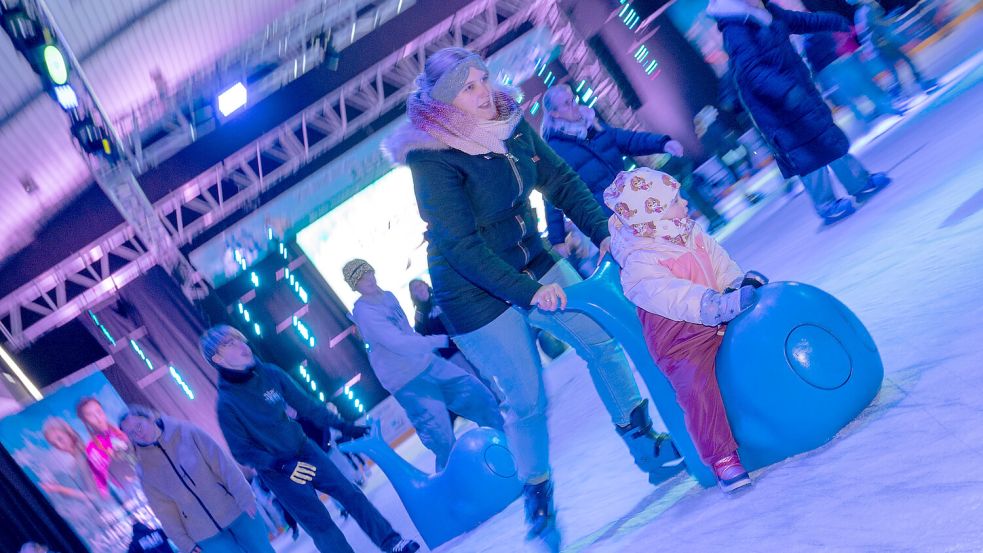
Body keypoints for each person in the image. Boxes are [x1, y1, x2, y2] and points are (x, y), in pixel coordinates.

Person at [383, 47, 683, 545]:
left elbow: (559, 178)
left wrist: (604, 230)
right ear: (443, 101)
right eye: (469, 88)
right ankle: (538, 498)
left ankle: (645, 444)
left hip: (530, 258)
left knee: (601, 342)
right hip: (474, 291)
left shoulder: (509, 121)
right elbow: (459, 245)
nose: (485, 93)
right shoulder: (431, 156)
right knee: (526, 399)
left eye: (484, 79)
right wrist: (528, 293)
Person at [604, 167, 768, 493]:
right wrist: (712, 305)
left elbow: (717, 261)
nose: (684, 203)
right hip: (679, 339)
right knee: (697, 387)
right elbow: (670, 295)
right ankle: (722, 458)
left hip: (717, 311)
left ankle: (772, 409)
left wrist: (735, 285)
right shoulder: (639, 260)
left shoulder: (687, 230)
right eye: (675, 201)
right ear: (652, 216)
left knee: (758, 339)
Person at [199, 325, 420, 553]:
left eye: (239, 338)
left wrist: (346, 427)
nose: (241, 345)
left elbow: (308, 406)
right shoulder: (227, 404)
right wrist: (281, 465)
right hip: (280, 472)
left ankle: (391, 542)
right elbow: (241, 451)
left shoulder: (270, 373)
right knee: (320, 524)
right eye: (229, 343)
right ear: (217, 358)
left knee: (351, 494)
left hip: (305, 450)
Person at [708, 0, 893, 225]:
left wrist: (833, 20)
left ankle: (859, 183)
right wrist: (786, 93)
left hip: (797, 89)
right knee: (805, 153)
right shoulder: (736, 29)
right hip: (776, 104)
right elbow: (752, 71)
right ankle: (826, 205)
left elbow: (800, 21)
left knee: (827, 136)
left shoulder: (767, 11)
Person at [345, 259, 504, 471]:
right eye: (361, 279)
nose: (368, 279)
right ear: (354, 286)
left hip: (427, 363)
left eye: (369, 273)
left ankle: (505, 444)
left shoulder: (388, 296)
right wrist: (439, 340)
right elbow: (397, 342)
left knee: (476, 394)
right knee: (440, 435)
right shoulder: (364, 312)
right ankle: (454, 485)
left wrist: (429, 347)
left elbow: (407, 333)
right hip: (405, 380)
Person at [539, 84, 729, 238]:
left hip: (631, 201)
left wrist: (663, 143)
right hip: (608, 216)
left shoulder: (593, 127)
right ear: (555, 114)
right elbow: (553, 193)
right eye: (567, 103)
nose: (574, 106)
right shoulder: (555, 150)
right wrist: (557, 238)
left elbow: (628, 140)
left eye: (573, 100)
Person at [119, 405, 272, 553]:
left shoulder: (185, 432)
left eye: (139, 426)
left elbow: (223, 464)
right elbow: (164, 510)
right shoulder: (145, 470)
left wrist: (245, 496)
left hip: (236, 509)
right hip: (204, 534)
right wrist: (184, 543)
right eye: (131, 433)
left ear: (150, 418)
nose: (138, 434)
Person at [848, 0, 937, 106]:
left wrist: (869, 49)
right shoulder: (868, 8)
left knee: (897, 66)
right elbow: (878, 26)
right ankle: (914, 86)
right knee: (904, 62)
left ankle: (900, 92)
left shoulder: (860, 12)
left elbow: (868, 30)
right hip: (883, 42)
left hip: (879, 43)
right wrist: (892, 23)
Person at [76, 397, 139, 500]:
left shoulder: (123, 428)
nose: (98, 417)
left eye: (99, 411)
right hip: (131, 491)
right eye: (90, 415)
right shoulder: (92, 449)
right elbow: (103, 483)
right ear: (85, 421)